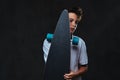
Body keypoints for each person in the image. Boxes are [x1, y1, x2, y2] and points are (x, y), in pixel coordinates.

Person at [43, 6, 88, 80]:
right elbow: (52, 64)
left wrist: (75, 74)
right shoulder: (48, 42)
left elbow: (84, 67)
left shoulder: (80, 42)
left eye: (76, 22)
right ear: (63, 22)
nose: (74, 25)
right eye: (70, 21)